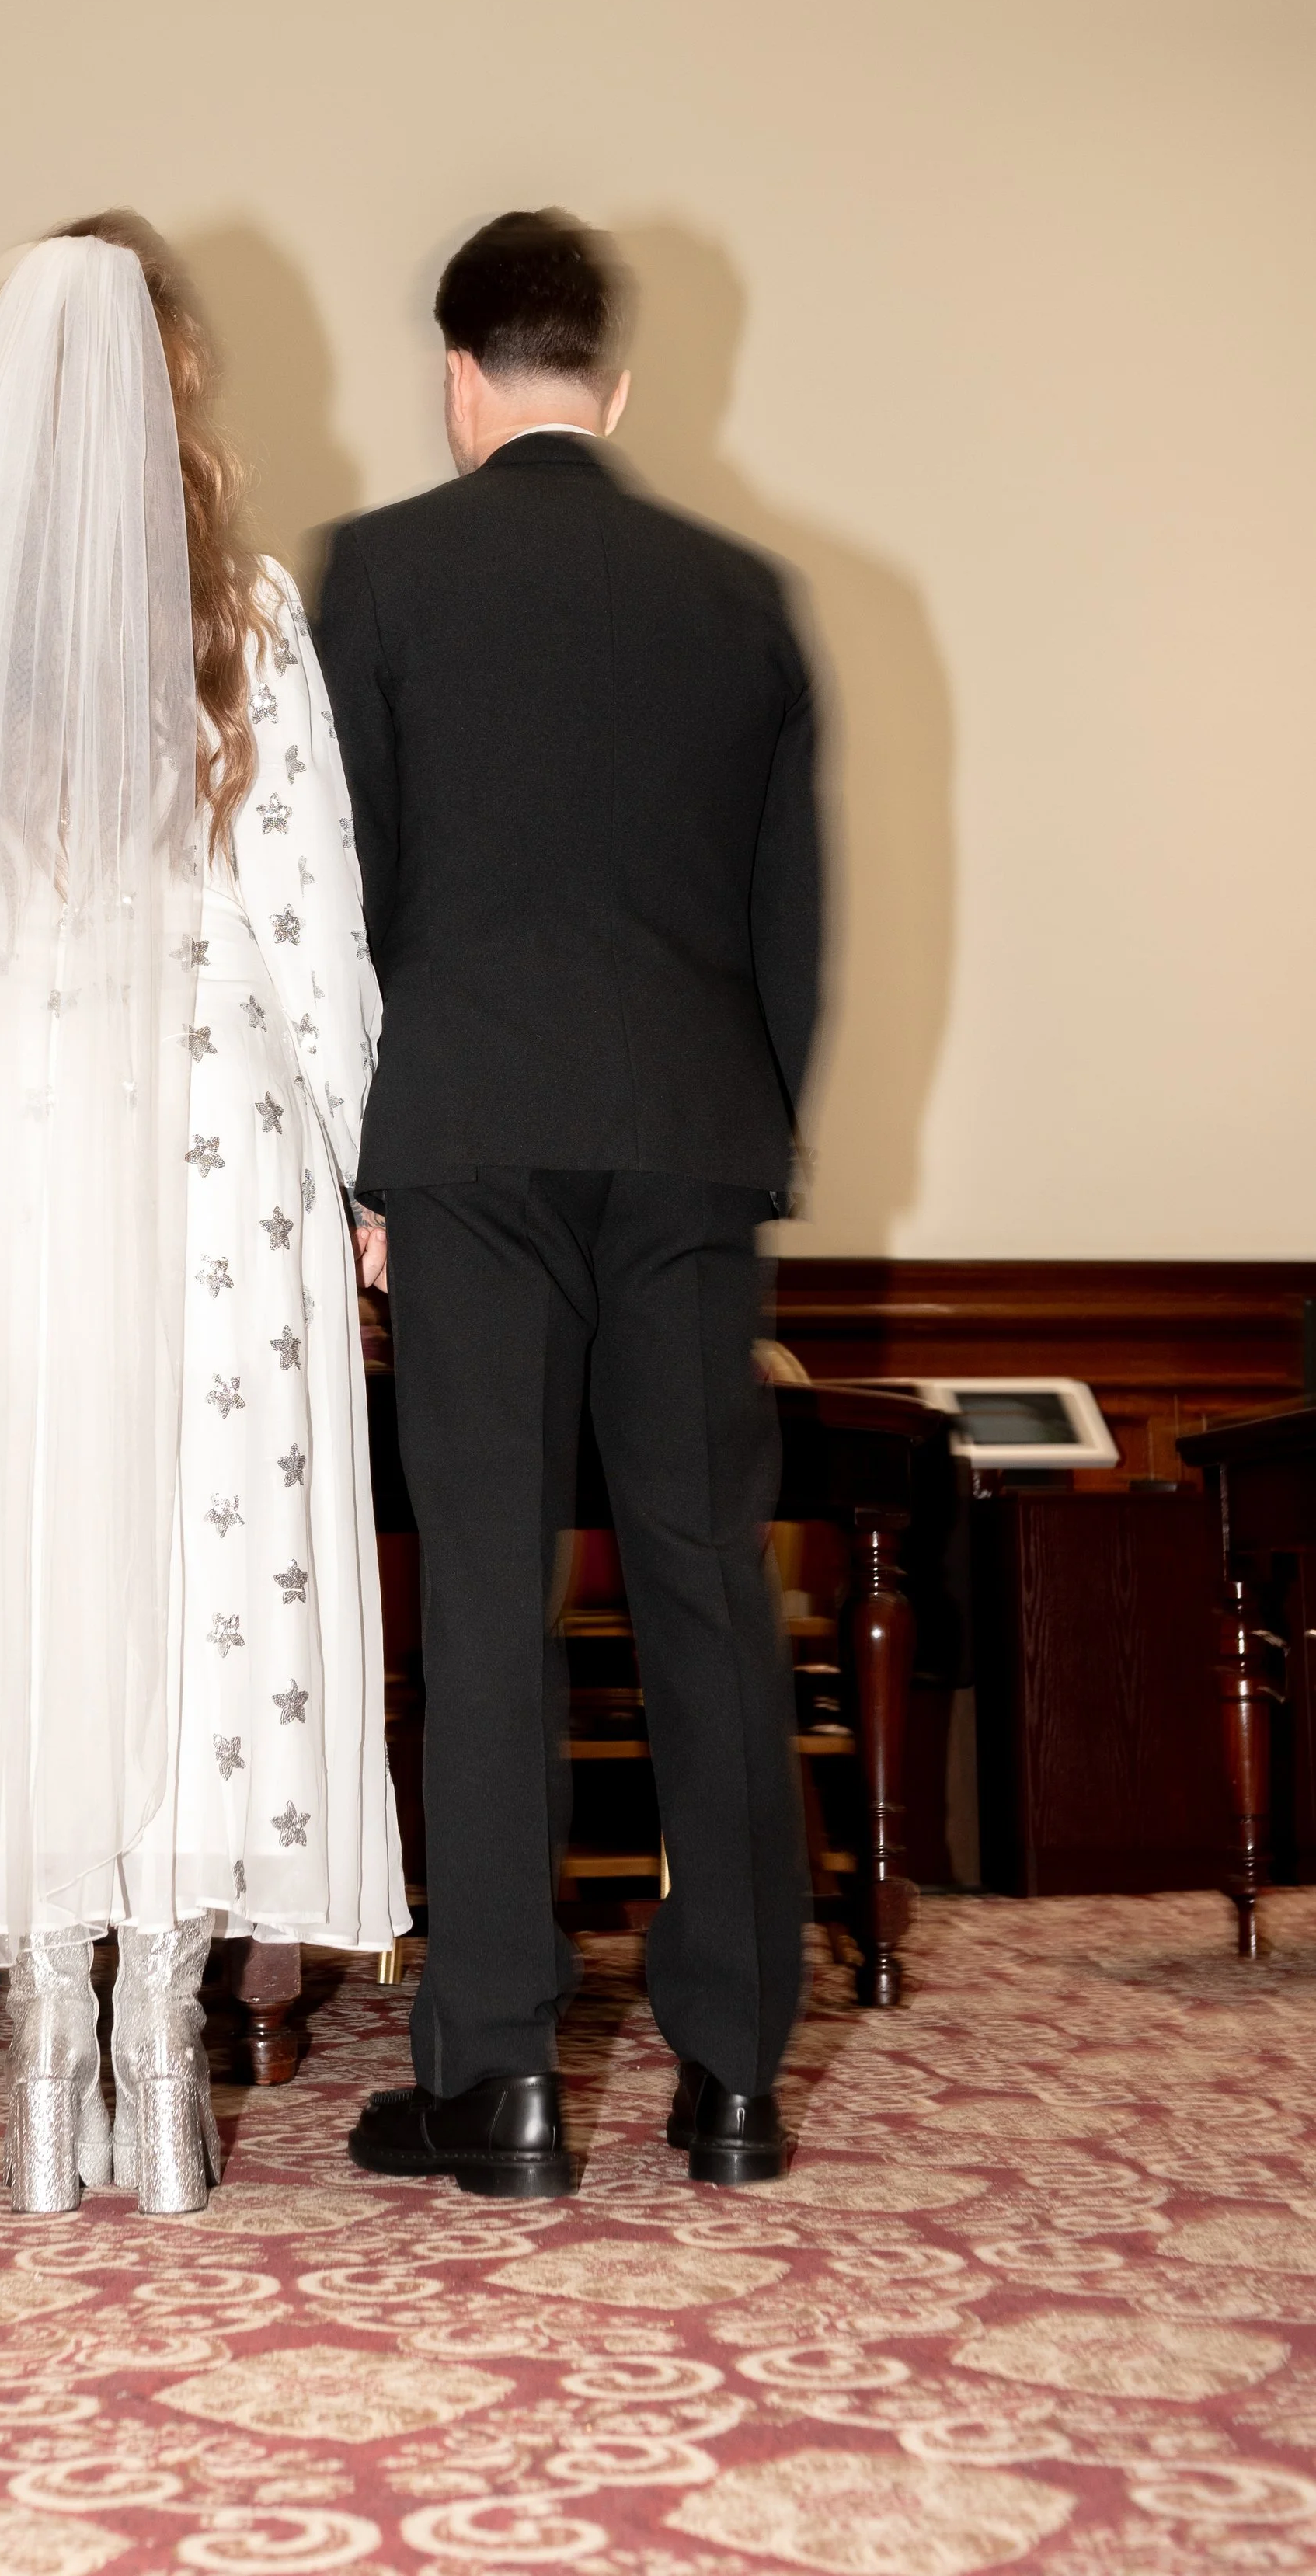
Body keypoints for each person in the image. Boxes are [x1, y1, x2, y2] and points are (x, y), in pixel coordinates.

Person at [0, 216, 406, 2217]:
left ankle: (46, 2082)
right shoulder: (241, 614)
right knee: (202, 1583)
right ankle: (158, 2073)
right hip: (213, 1168)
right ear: (173, 396)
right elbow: (310, 924)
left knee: (17, 1564)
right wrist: (369, 1158)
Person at [316, 211, 820, 2197]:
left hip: (460, 1138)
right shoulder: (737, 593)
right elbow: (789, 918)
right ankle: (733, 2082)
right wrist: (750, 1141)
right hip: (691, 1134)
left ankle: (498, 2077)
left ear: (455, 380)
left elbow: (339, 896)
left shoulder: (381, 574)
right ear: (613, 383)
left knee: (491, 1590)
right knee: (701, 1581)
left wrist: (354, 1164)